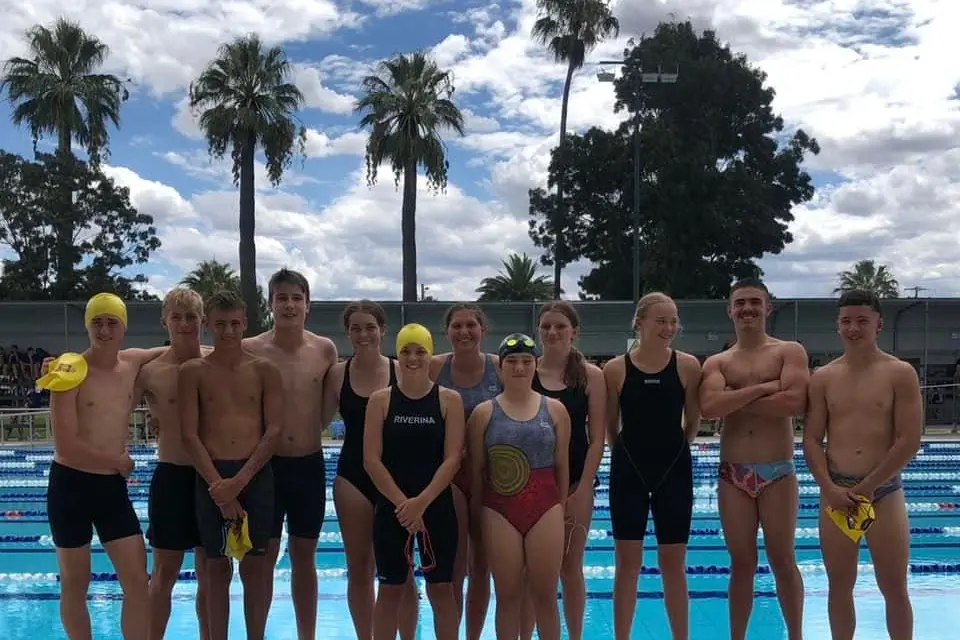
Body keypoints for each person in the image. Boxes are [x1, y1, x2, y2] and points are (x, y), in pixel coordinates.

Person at [40, 292, 166, 640]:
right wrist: (118, 461)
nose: (105, 330)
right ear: (87, 327)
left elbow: (182, 350)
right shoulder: (69, 370)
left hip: (110, 490)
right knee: (75, 583)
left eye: (112, 322)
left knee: (138, 581)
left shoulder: (133, 362)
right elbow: (66, 445)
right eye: (97, 322)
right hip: (70, 486)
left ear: (123, 328)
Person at [803, 289, 922, 640]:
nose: (853, 328)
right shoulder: (823, 377)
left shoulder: (899, 373)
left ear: (878, 325)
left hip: (882, 492)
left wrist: (866, 487)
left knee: (894, 586)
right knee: (839, 586)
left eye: (861, 321)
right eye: (846, 321)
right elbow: (811, 439)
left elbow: (909, 440)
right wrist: (829, 488)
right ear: (837, 326)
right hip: (836, 492)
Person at [699, 278, 810, 640]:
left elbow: (794, 403)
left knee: (782, 559)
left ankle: (796, 636)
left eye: (755, 302)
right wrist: (765, 387)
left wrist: (736, 398)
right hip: (734, 474)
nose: (747, 309)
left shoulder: (788, 352)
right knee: (741, 564)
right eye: (740, 303)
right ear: (730, 310)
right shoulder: (717, 360)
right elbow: (711, 408)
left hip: (778, 471)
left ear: (768, 308)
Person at [179, 291, 284, 640]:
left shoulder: (264, 370)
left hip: (253, 475)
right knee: (216, 569)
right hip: (211, 477)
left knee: (255, 568)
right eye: (220, 324)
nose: (228, 331)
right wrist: (220, 488)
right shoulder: (193, 371)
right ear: (207, 324)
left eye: (235, 324)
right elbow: (189, 435)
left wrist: (238, 483)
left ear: (245, 325)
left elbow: (274, 432)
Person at [243, 268, 338, 639]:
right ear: (270, 305)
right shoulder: (250, 348)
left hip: (308, 465)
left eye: (296, 298)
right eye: (281, 298)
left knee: (304, 556)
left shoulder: (324, 349)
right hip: (265, 467)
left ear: (308, 305)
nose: (289, 305)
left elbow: (328, 405)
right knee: (261, 558)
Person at [602, 292, 701, 640]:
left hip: (674, 470)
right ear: (639, 323)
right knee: (627, 565)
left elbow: (692, 423)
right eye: (661, 320)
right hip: (628, 471)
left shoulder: (688, 366)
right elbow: (611, 427)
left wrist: (673, 451)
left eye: (673, 320)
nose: (669, 327)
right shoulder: (615, 369)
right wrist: (627, 456)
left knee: (674, 564)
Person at [323, 300, 419, 639]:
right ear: (348, 332)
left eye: (370, 327)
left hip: (395, 478)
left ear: (383, 330)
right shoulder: (337, 374)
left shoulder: (401, 369)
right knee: (359, 568)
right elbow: (317, 421)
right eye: (355, 328)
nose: (363, 334)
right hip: (352, 477)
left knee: (402, 568)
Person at [363, 323, 464, 640]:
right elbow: (371, 460)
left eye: (420, 351)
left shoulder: (449, 400)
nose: (413, 357)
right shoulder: (380, 400)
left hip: (436, 506)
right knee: (390, 590)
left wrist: (420, 504)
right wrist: (403, 505)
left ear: (430, 354)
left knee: (442, 590)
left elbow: (452, 459)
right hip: (392, 509)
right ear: (397, 354)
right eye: (406, 350)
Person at [468, 333, 571, 640]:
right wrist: (476, 517)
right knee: (508, 595)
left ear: (535, 366)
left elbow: (561, 466)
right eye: (512, 362)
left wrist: (561, 509)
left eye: (526, 361)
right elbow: (476, 472)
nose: (519, 368)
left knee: (545, 596)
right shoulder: (483, 414)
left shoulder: (555, 410)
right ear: (501, 368)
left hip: (546, 507)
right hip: (499, 509)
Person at [518, 301, 605, 640]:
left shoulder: (590, 376)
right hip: (529, 484)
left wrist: (583, 487)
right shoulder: (525, 370)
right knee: (530, 572)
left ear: (574, 333)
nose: (552, 333)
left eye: (560, 327)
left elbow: (597, 437)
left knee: (570, 569)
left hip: (575, 484)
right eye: (545, 327)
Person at [140, 288, 212, 640]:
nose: (184, 324)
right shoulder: (150, 371)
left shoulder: (219, 361)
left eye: (191, 317)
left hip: (213, 478)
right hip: (171, 475)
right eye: (177, 317)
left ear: (203, 321)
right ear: (164, 321)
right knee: (164, 573)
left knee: (210, 574)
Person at [430, 303, 501, 639]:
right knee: (454, 566)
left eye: (471, 325)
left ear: (483, 331)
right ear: (447, 332)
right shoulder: (434, 368)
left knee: (482, 566)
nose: (464, 332)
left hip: (490, 476)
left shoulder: (499, 368)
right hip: (449, 476)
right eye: (456, 326)